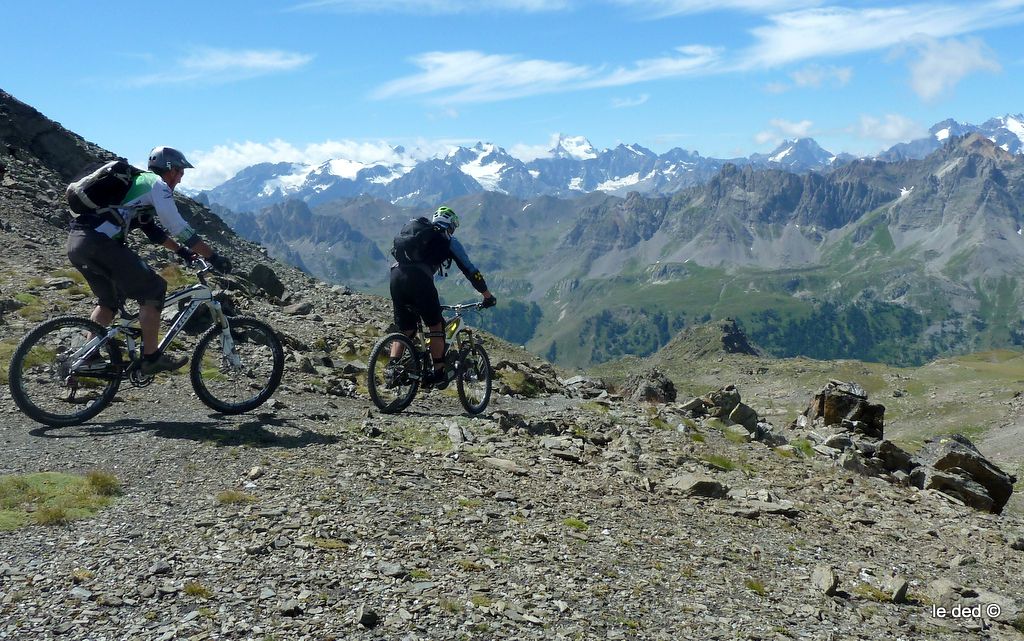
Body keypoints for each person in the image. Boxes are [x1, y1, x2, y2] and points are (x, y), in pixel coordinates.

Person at [67, 146, 232, 375]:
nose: (181, 178)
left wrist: (183, 252)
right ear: (170, 169)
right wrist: (212, 256)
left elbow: (152, 230)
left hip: (78, 243)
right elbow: (177, 226)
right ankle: (151, 357)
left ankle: (87, 356)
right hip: (100, 244)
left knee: (109, 301)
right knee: (154, 289)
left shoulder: (139, 188)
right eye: (180, 172)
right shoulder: (157, 184)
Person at [390, 206, 496, 387]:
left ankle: (392, 370)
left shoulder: (419, 235)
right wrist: (487, 296)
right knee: (436, 326)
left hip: (396, 277)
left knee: (405, 329)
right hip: (419, 280)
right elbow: (470, 270)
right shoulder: (447, 240)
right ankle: (438, 372)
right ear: (450, 225)